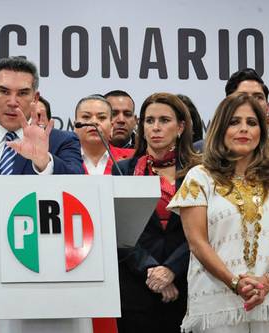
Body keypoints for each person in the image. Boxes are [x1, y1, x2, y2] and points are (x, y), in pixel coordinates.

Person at [0, 56, 84, 318]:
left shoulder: (60, 141)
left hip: (46, 273)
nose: (12, 101)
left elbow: (79, 192)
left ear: (35, 97)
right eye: (4, 91)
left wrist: (44, 163)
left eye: (23, 93)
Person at [168, 93, 269, 332]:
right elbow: (197, 243)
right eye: (234, 122)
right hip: (216, 303)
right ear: (220, 128)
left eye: (252, 123)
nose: (243, 129)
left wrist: (268, 281)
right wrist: (235, 281)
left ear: (262, 131)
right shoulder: (199, 177)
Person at [112, 92, 200, 332]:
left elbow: (207, 230)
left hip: (188, 286)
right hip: (136, 288)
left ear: (181, 126)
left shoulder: (200, 170)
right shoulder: (123, 170)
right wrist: (151, 269)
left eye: (164, 120)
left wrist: (172, 269)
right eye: (149, 121)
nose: (156, 128)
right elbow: (118, 232)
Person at [194, 68, 269, 176]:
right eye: (242, 96)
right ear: (227, 105)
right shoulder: (197, 153)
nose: (250, 102)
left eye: (258, 97)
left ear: (267, 108)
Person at [74, 94, 133, 174]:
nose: (94, 122)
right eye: (86, 117)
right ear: (75, 126)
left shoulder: (134, 158)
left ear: (112, 127)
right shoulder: (63, 159)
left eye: (101, 117)